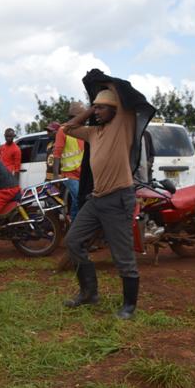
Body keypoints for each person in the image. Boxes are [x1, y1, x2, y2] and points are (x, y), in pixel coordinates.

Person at [61, 86, 143, 319]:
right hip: (97, 199)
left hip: (118, 198)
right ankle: (89, 294)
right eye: (94, 107)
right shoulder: (93, 133)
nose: (97, 111)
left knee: (122, 255)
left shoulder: (122, 125)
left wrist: (110, 88)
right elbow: (67, 128)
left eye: (101, 108)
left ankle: (129, 306)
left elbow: (127, 102)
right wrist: (90, 109)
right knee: (73, 241)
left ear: (115, 109)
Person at [52, 102, 85, 220]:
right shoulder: (63, 130)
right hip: (69, 174)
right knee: (78, 198)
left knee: (82, 200)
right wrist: (56, 175)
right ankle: (75, 226)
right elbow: (57, 154)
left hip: (82, 173)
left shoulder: (83, 130)